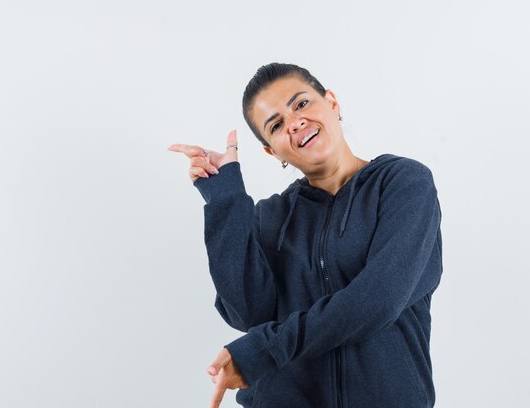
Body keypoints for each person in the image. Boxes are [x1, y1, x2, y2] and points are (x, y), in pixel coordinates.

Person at [168, 63, 443, 408]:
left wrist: (265, 350)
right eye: (277, 125)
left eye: (301, 104)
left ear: (332, 103)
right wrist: (226, 201)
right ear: (273, 151)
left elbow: (378, 298)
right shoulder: (272, 217)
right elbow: (247, 313)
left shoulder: (402, 183)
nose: (295, 122)